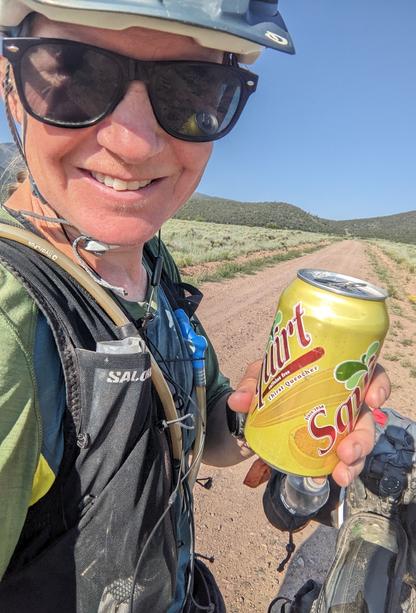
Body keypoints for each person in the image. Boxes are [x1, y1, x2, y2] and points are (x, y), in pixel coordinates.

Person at [0, 2, 391, 611]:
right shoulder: (9, 322)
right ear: (9, 81)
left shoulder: (151, 257)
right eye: (75, 72)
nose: (133, 143)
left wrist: (277, 415)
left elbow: (202, 429)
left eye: (191, 85)